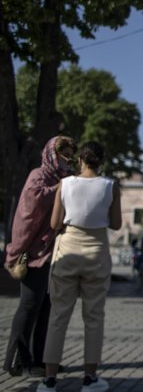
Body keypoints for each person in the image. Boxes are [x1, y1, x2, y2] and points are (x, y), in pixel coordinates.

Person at [38, 141, 121, 392]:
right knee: (94, 316)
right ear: (101, 161)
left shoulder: (66, 184)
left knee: (58, 315)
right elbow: (117, 224)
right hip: (96, 250)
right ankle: (90, 378)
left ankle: (49, 380)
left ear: (80, 160)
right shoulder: (110, 186)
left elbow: (54, 223)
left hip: (68, 248)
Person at [3, 136, 77, 378]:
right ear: (53, 154)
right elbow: (28, 212)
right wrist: (15, 251)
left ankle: (41, 360)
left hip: (55, 254)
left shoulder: (62, 179)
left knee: (46, 308)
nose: (68, 160)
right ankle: (15, 360)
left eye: (70, 155)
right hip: (34, 254)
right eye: (64, 155)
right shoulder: (39, 175)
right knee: (29, 305)